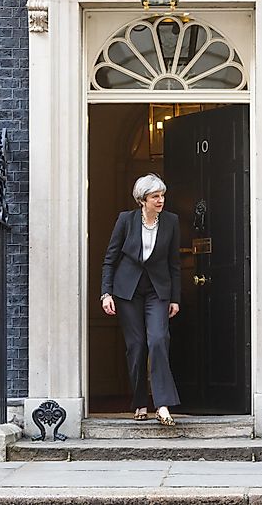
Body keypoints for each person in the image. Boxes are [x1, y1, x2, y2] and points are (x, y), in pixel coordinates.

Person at [101, 173, 181, 426]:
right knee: (136, 346)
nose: (161, 200)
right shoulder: (126, 220)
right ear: (142, 200)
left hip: (157, 291)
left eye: (162, 195)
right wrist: (106, 293)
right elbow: (110, 258)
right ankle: (139, 402)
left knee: (158, 340)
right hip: (128, 291)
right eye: (155, 196)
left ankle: (163, 405)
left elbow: (174, 264)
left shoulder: (171, 222)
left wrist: (175, 298)